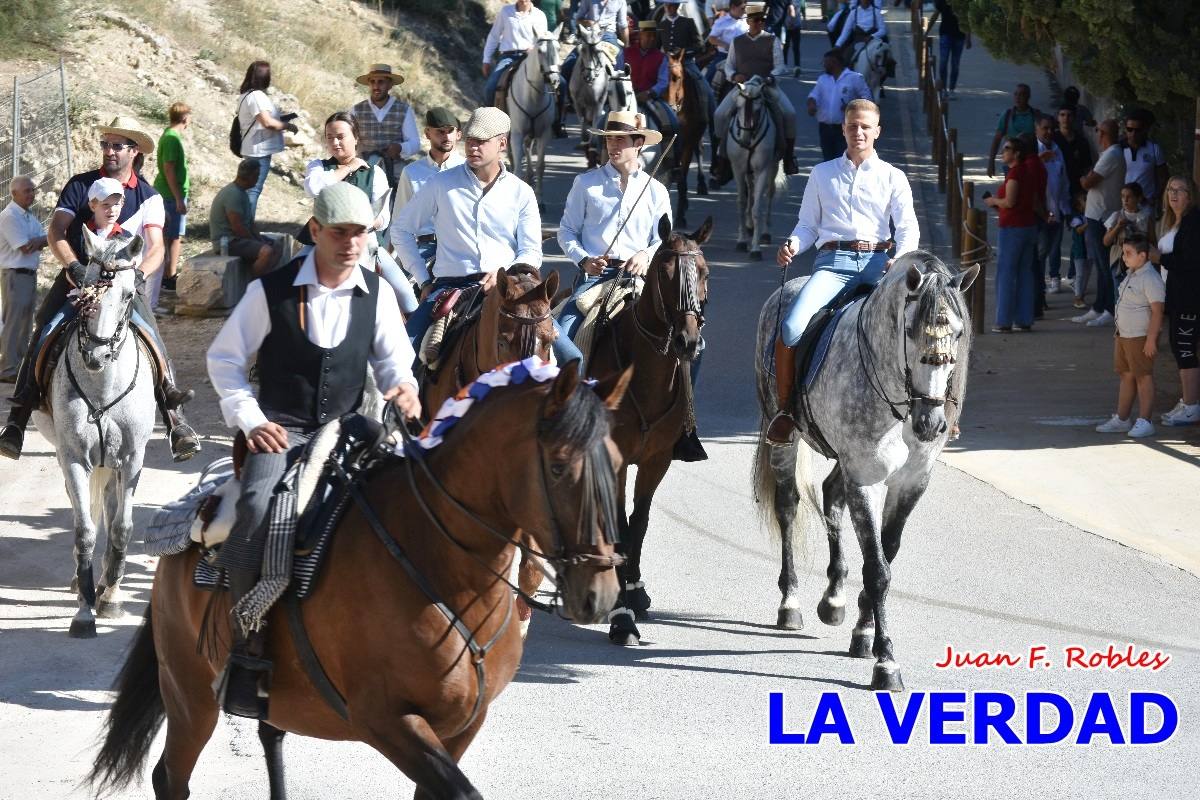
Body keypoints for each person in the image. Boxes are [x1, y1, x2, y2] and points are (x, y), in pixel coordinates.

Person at [206, 182, 421, 718]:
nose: (352, 244)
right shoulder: (270, 291)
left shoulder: (379, 293)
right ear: (316, 230)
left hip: (350, 432)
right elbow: (224, 360)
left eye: (360, 233)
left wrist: (405, 387)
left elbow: (394, 361)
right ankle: (246, 647)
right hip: (281, 430)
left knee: (407, 501)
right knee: (256, 509)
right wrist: (252, 421)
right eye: (340, 233)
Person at [0, 117, 198, 462]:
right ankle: (17, 420)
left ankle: (175, 421)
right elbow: (57, 232)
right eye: (105, 144)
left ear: (134, 151)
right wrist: (73, 266)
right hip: (76, 278)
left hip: (125, 284)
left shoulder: (149, 196)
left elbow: (156, 248)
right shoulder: (79, 185)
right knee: (45, 329)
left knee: (152, 335)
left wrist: (139, 277)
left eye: (117, 145)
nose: (109, 151)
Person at [770, 98, 918, 444]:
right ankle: (786, 409)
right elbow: (808, 225)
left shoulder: (893, 177)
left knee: (916, 325)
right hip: (833, 265)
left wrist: (901, 258)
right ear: (843, 129)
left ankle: (929, 407)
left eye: (866, 126)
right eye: (853, 126)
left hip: (879, 265)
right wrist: (793, 243)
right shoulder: (822, 174)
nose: (859, 132)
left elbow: (907, 228)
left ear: (877, 131)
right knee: (791, 326)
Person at [391, 107, 542, 347]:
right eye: (470, 141)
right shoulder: (440, 184)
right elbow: (400, 229)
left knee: (566, 353)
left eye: (481, 142)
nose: (472, 147)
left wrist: (505, 272)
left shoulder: (521, 191)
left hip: (508, 287)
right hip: (450, 287)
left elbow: (532, 251)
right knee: (404, 352)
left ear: (502, 144)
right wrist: (423, 280)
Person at [555, 110, 671, 370]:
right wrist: (584, 260)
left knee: (688, 343)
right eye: (609, 139)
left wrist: (646, 255)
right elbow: (566, 231)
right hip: (595, 279)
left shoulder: (657, 191)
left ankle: (682, 397)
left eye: (620, 139)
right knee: (560, 341)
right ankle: (565, 393)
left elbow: (664, 241)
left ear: (638, 143)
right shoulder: (585, 184)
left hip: (639, 280)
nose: (612, 145)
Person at [714, 2, 800, 176]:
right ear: (748, 22)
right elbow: (729, 66)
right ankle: (721, 158)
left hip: (767, 87)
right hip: (743, 88)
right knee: (719, 114)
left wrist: (770, 77)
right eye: (755, 20)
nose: (759, 23)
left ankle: (789, 157)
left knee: (790, 114)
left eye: (762, 20)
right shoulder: (737, 42)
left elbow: (780, 66)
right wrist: (734, 76)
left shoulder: (772, 40)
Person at [1094, 235, 1164, 439]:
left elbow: (1158, 311)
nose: (1124, 257)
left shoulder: (1150, 278)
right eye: (1124, 253)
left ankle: (1145, 421)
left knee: (1143, 376)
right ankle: (1123, 419)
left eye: (1128, 253)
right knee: (1126, 375)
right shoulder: (1131, 274)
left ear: (1142, 255)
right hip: (1123, 335)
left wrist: (1151, 340)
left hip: (1140, 336)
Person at [389, 107, 465, 271]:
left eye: (450, 131)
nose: (446, 136)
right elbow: (399, 220)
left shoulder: (468, 170)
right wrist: (392, 257)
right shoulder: (411, 172)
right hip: (423, 249)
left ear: (458, 134)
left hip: (461, 249)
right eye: (440, 132)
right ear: (427, 133)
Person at [303, 112, 391, 246]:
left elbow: (383, 217)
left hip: (362, 242)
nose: (335, 142)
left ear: (356, 138)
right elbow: (312, 189)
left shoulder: (375, 173)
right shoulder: (318, 166)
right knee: (301, 259)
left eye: (340, 137)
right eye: (329, 137)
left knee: (386, 262)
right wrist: (349, 167)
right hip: (323, 241)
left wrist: (365, 224)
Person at [984, 135, 1045, 332]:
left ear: (1016, 153)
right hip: (1028, 226)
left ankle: (1003, 321)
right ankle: (1024, 319)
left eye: (1007, 149)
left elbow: (1010, 202)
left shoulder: (1015, 174)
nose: (1003, 152)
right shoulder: (1027, 172)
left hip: (1012, 228)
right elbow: (1033, 201)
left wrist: (993, 201)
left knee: (1006, 274)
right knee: (1025, 273)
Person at [1153, 175, 1200, 426]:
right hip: (1176, 295)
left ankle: (1192, 406)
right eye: (1170, 189)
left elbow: (1190, 262)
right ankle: (1188, 401)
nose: (1173, 194)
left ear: (1190, 196)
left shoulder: (1193, 222)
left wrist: (1158, 257)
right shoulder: (1173, 221)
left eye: (1180, 190)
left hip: (1189, 297)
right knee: (1178, 345)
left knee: (1184, 347)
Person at [1075, 119, 1126, 327]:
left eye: (1098, 131)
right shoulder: (1110, 154)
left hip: (1102, 216)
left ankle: (1109, 309)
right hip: (1098, 215)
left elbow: (1088, 182)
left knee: (1106, 266)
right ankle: (1098, 307)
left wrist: (1083, 179)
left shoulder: (1112, 154)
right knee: (1101, 264)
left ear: (1103, 134)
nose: (1097, 135)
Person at [0, 176, 47, 383]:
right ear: (14, 193)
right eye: (27, 191)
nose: (32, 194)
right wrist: (44, 240)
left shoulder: (28, 216)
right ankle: (8, 369)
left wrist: (41, 240)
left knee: (25, 324)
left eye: (33, 190)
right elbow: (26, 247)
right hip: (15, 275)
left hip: (27, 275)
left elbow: (40, 241)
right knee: (13, 323)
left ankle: (17, 367)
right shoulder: (9, 216)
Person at [236, 61, 297, 221]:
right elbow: (267, 123)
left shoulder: (247, 95)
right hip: (258, 150)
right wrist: (288, 126)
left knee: (249, 189)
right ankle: (245, 227)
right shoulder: (257, 96)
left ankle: (242, 225)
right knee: (253, 190)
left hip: (252, 147)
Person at [350, 64, 420, 192]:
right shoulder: (356, 110)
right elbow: (348, 140)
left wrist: (400, 148)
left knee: (412, 188)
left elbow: (415, 143)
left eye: (381, 82)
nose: (376, 86)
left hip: (394, 165)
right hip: (364, 165)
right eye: (372, 82)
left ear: (390, 84)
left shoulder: (404, 110)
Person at [210, 160, 283, 277]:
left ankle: (265, 277)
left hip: (238, 239)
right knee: (266, 252)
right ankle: (254, 282)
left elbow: (250, 223)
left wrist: (260, 239)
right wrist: (256, 242)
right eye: (257, 175)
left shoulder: (242, 193)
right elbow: (237, 227)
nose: (258, 179)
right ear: (251, 176)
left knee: (277, 246)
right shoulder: (233, 194)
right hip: (228, 242)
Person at [655, 1, 715, 132]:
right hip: (667, 65)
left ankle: (713, 128)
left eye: (672, 5)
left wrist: (683, 51)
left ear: (677, 7)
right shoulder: (661, 25)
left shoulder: (688, 22)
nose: (669, 8)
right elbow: (656, 48)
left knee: (705, 89)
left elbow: (699, 45)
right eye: (667, 5)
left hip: (687, 63)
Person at [153, 101, 191, 309]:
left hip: (170, 193)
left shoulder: (169, 135)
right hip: (169, 195)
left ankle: (166, 274)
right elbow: (168, 169)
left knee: (170, 236)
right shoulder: (171, 139)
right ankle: (169, 275)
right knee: (174, 236)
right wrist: (178, 198)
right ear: (185, 118)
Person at [807, 49, 872, 162]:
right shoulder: (823, 79)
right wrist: (811, 104)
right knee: (828, 161)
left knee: (843, 161)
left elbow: (868, 99)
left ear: (835, 62)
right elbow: (814, 95)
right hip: (825, 128)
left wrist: (852, 107)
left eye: (825, 62)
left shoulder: (855, 78)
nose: (824, 65)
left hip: (846, 129)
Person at [482, 1, 550, 107]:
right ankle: (490, 114)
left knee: (560, 84)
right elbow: (494, 36)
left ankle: (559, 114)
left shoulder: (540, 15)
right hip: (508, 57)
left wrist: (533, 48)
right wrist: (486, 59)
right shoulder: (505, 11)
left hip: (531, 58)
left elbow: (543, 41)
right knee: (490, 88)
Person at [1035, 115, 1071, 297]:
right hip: (1039, 212)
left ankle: (1054, 277)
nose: (1049, 132)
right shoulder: (1032, 149)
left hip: (1057, 209)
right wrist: (1039, 160)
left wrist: (1067, 210)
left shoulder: (1058, 150)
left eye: (1051, 128)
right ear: (1037, 128)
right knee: (1041, 250)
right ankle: (1039, 288)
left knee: (1055, 247)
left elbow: (1063, 181)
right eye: (1045, 128)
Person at [1121, 108, 1168, 213]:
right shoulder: (1118, 149)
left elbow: (1164, 179)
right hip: (1122, 206)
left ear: (1145, 130)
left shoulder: (1154, 149)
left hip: (1146, 207)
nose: (1133, 134)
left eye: (1137, 130)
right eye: (1129, 129)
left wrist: (1156, 199)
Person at [987, 83, 1038, 178]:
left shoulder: (1036, 116)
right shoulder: (1007, 116)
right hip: (1011, 164)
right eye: (1016, 94)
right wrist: (991, 161)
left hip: (1030, 163)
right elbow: (997, 139)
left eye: (1022, 94)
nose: (1018, 97)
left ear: (1028, 97)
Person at [928, 0, 969, 98]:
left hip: (960, 36)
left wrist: (968, 38)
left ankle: (951, 89)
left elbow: (967, 19)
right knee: (943, 61)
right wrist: (927, 31)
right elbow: (935, 15)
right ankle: (943, 89)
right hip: (945, 34)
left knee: (955, 64)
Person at [1052, 105, 1093, 203]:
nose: (1065, 118)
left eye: (1069, 115)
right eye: (1062, 115)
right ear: (1058, 118)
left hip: (1076, 190)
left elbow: (1087, 168)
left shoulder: (1081, 141)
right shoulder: (1052, 140)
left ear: (1074, 118)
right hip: (1056, 188)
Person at [707, 0, 748, 83]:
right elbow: (711, 38)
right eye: (742, 8)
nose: (744, 11)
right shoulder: (722, 21)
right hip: (725, 56)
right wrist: (725, 45)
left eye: (745, 8)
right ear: (733, 7)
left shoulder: (747, 21)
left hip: (744, 56)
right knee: (709, 77)